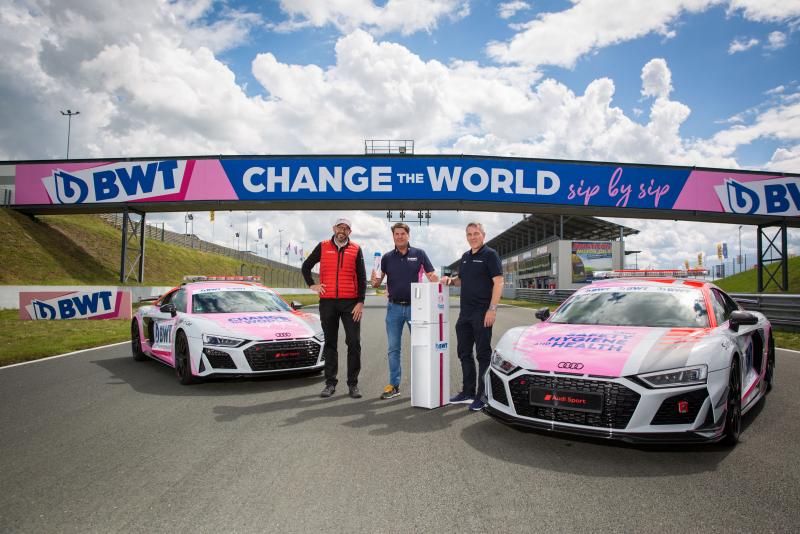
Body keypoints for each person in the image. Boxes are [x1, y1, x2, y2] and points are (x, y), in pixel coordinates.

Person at [371, 223, 438, 399]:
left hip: (416, 308)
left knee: (421, 347)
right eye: (396, 234)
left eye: (403, 233)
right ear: (393, 236)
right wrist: (373, 280)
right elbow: (377, 283)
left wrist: (438, 279)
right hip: (393, 308)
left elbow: (431, 276)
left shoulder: (419, 254)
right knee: (393, 349)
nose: (399, 236)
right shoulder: (386, 258)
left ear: (408, 235)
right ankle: (394, 386)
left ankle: (423, 385)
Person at [302, 217, 367, 399]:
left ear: (349, 232)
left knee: (354, 342)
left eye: (346, 228)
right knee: (330, 343)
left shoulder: (356, 249)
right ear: (334, 228)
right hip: (328, 303)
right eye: (340, 227)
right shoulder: (323, 246)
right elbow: (306, 266)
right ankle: (330, 383)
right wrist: (312, 285)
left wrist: (360, 302)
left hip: (350, 304)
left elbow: (362, 277)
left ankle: (353, 384)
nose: (342, 231)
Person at [441, 222, 503, 411]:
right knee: (464, 353)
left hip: (482, 313)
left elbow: (498, 282)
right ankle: (468, 392)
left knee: (483, 355)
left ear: (483, 234)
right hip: (465, 314)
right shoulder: (465, 257)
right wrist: (450, 280)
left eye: (476, 233)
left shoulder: (490, 255)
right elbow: (461, 280)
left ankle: (482, 396)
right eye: (469, 234)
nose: (473, 237)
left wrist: (492, 309)